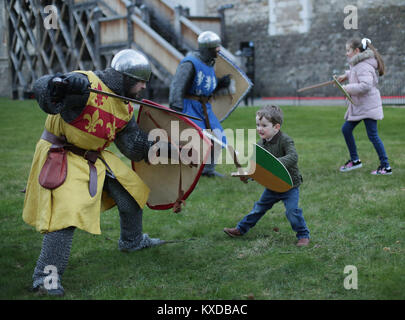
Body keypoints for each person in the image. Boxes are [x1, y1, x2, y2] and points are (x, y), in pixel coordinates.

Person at [23, 49, 167, 296]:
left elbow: (132, 145)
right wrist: (61, 85)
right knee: (65, 218)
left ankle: (131, 242)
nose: (144, 86)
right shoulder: (86, 84)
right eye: (141, 81)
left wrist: (162, 148)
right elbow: (43, 89)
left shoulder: (124, 107)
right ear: (126, 78)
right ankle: (44, 279)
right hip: (62, 153)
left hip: (93, 155)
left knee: (131, 192)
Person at [223, 105, 310, 247]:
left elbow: (293, 156)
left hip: (289, 185)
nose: (259, 128)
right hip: (272, 186)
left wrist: (274, 164)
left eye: (264, 125)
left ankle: (303, 235)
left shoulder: (285, 140)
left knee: (292, 212)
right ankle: (240, 229)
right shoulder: (260, 145)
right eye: (257, 125)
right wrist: (247, 175)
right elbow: (256, 168)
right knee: (258, 208)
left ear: (276, 127)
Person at [169, 31, 232, 177]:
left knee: (217, 136)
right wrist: (177, 111)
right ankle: (189, 170)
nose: (218, 50)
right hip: (188, 106)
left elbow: (204, 87)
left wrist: (221, 84)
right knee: (194, 139)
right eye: (215, 48)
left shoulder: (209, 64)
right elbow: (177, 88)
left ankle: (207, 170)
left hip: (204, 108)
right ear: (207, 49)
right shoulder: (189, 63)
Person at [337, 38, 392, 175]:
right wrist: (346, 75)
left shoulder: (363, 65)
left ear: (356, 51)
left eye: (348, 50)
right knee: (346, 130)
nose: (346, 53)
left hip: (368, 107)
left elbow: (366, 85)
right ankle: (355, 161)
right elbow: (357, 73)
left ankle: (385, 166)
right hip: (361, 106)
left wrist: (346, 88)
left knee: (373, 135)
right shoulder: (360, 63)